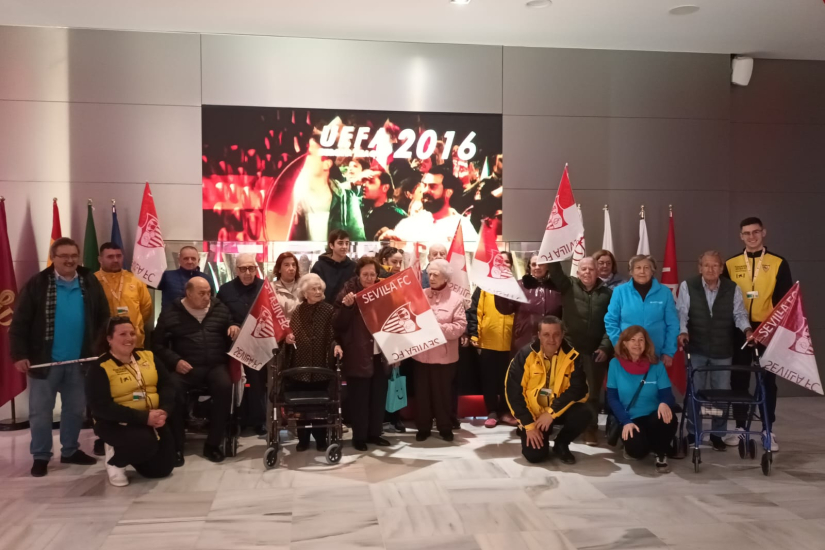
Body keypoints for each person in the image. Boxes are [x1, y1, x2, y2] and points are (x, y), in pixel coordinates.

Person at [10, 237, 109, 477]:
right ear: (53, 257)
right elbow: (20, 322)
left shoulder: (90, 282)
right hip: (44, 362)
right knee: (40, 412)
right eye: (63, 256)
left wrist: (101, 349)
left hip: (80, 362)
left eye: (73, 255)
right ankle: (41, 456)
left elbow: (103, 317)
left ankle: (70, 450)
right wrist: (19, 354)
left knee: (75, 410)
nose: (69, 260)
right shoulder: (37, 284)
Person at [153, 277, 240, 464]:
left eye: (209, 292)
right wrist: (175, 361)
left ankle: (213, 444)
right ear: (189, 293)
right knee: (173, 391)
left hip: (215, 365)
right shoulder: (171, 313)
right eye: (202, 293)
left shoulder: (219, 308)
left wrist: (234, 326)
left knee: (225, 387)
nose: (207, 297)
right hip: (186, 367)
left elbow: (231, 322)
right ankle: (177, 445)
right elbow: (157, 345)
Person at [723, 217, 792, 451]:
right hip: (739, 330)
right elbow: (725, 301)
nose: (751, 237)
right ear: (740, 236)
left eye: (755, 232)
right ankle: (741, 428)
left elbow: (785, 302)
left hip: (767, 331)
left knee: (767, 382)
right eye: (746, 233)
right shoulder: (731, 263)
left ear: (763, 233)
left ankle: (767, 430)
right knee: (739, 380)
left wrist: (767, 330)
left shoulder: (778, 262)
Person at [676, 251, 753, 451]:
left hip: (722, 349)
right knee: (696, 392)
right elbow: (682, 312)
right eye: (706, 265)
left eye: (715, 265)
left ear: (721, 268)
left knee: (721, 394)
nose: (711, 269)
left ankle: (718, 434)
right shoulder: (688, 286)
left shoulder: (732, 288)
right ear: (699, 267)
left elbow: (739, 313)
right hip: (697, 348)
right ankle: (694, 433)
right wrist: (683, 332)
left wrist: (747, 330)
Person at [86, 318, 175, 486]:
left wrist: (164, 410)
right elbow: (100, 407)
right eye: (122, 334)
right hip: (116, 421)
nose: (129, 338)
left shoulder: (148, 356)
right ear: (109, 339)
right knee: (145, 442)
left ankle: (134, 452)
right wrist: (143, 417)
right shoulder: (100, 367)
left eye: (132, 333)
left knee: (161, 469)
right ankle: (115, 461)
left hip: (151, 418)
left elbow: (167, 385)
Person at [505, 316, 591, 464]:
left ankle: (561, 444)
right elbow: (513, 393)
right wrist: (529, 425)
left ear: (562, 334)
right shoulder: (525, 356)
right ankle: (526, 430)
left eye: (556, 334)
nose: (552, 339)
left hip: (557, 410)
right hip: (534, 414)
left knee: (584, 412)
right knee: (535, 456)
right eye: (546, 334)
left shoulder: (573, 356)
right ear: (538, 335)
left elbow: (579, 389)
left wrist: (551, 413)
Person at [547, 257, 613, 446]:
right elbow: (556, 271)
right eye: (583, 269)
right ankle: (559, 424)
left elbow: (611, 324)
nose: (587, 273)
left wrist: (604, 347)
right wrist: (553, 250)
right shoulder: (569, 286)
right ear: (578, 272)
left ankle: (590, 429)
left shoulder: (608, 294)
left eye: (591, 269)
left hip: (595, 353)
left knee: (592, 394)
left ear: (597, 272)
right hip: (569, 351)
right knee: (563, 389)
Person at [280, 273, 343, 451]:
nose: (317, 291)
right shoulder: (298, 311)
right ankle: (303, 439)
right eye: (313, 289)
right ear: (304, 293)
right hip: (300, 366)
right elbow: (291, 333)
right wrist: (289, 338)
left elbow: (333, 335)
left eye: (319, 289)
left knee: (318, 407)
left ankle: (321, 439)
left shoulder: (328, 310)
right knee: (302, 407)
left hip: (321, 366)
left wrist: (336, 346)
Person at [334, 257, 392, 451]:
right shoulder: (348, 292)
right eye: (365, 274)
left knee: (378, 397)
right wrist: (347, 307)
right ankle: (359, 437)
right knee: (359, 398)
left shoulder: (384, 292)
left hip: (380, 353)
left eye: (372, 274)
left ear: (378, 275)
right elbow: (338, 324)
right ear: (358, 275)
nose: (369, 278)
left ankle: (375, 434)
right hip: (358, 353)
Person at [606, 326, 677, 474]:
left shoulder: (656, 365)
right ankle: (653, 444)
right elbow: (612, 398)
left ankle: (661, 453)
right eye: (632, 340)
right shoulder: (615, 364)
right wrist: (625, 421)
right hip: (630, 418)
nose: (637, 344)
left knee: (669, 417)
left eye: (641, 340)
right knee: (637, 452)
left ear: (646, 343)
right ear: (624, 343)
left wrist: (664, 403)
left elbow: (667, 393)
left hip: (653, 417)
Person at [411, 259, 467, 442]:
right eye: (429, 274)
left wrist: (436, 328)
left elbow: (460, 327)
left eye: (436, 274)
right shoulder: (420, 295)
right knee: (422, 395)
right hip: (421, 355)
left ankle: (445, 427)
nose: (432, 277)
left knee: (443, 395)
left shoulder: (456, 298)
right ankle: (423, 427)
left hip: (444, 358)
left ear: (446, 277)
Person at [216, 253, 266, 436]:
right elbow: (219, 313)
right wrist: (231, 324)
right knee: (238, 383)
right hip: (234, 345)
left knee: (258, 385)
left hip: (259, 344)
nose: (247, 272)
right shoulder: (225, 290)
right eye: (243, 268)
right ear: (236, 270)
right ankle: (239, 420)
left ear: (256, 269)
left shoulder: (264, 288)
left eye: (251, 268)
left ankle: (259, 421)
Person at [467, 251, 516, 428]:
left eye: (507, 262)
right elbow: (474, 312)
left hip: (511, 343)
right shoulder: (484, 286)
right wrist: (473, 334)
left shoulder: (516, 288)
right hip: (488, 342)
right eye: (499, 261)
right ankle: (492, 412)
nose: (503, 264)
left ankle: (504, 411)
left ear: (511, 265)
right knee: (489, 379)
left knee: (508, 380)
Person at [604, 255, 679, 368]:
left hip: (656, 353)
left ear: (652, 271)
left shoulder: (664, 292)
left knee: (653, 385)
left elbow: (673, 324)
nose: (642, 271)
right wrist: (619, 345)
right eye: (638, 268)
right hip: (627, 353)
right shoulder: (620, 291)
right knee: (628, 385)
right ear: (631, 271)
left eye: (647, 268)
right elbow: (611, 320)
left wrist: (668, 351)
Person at [392, 164, 480, 243]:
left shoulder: (462, 227)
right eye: (424, 185)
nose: (425, 191)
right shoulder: (410, 224)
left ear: (448, 192)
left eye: (432, 186)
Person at [495, 255, 563, 354]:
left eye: (541, 264)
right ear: (529, 266)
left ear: (547, 266)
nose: (537, 267)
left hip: (551, 343)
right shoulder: (518, 286)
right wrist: (499, 292)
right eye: (534, 264)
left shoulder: (557, 288)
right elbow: (505, 309)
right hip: (524, 343)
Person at [95, 242, 154, 347]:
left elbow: (146, 308)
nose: (116, 260)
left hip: (133, 340)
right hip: (104, 340)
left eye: (119, 256)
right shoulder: (93, 281)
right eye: (110, 257)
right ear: (100, 259)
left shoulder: (135, 280)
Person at [158, 245, 216, 311]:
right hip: (172, 319)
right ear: (179, 260)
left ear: (198, 260)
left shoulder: (207, 279)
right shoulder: (166, 276)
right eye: (186, 258)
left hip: (199, 319)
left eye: (193, 258)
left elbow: (211, 302)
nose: (190, 261)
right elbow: (147, 284)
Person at [311, 229, 356, 304]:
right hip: (324, 311)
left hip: (347, 312)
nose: (344, 246)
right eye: (340, 243)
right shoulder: (319, 266)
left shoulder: (354, 267)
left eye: (347, 243)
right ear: (331, 245)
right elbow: (313, 291)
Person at [361, 170, 407, 241]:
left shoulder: (396, 214)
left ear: (385, 188)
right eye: (365, 181)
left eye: (371, 182)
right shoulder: (362, 208)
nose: (364, 185)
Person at [272, 252, 301, 321]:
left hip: (299, 330)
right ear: (279, 269)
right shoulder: (271, 288)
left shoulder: (303, 287)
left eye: (293, 265)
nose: (291, 268)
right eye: (286, 265)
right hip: (279, 330)